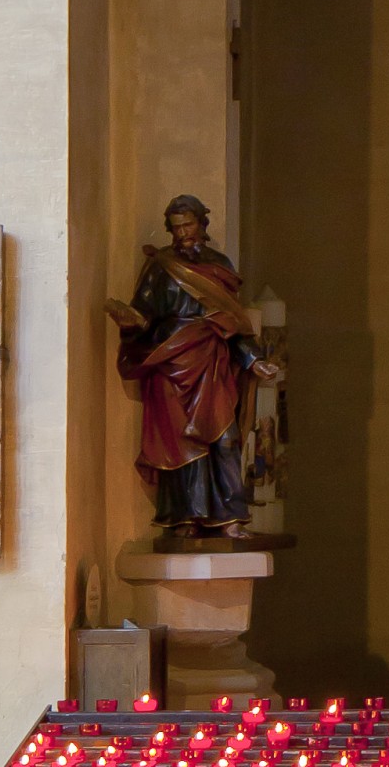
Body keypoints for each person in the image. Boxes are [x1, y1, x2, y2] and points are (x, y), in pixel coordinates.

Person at [106, 195, 280, 539]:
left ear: (203, 224)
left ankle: (231, 517)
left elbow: (234, 321)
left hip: (212, 359)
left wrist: (254, 359)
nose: (184, 233)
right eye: (177, 228)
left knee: (225, 439)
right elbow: (145, 318)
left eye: (189, 225)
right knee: (180, 444)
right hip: (171, 361)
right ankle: (182, 517)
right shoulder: (161, 266)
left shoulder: (220, 265)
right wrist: (129, 321)